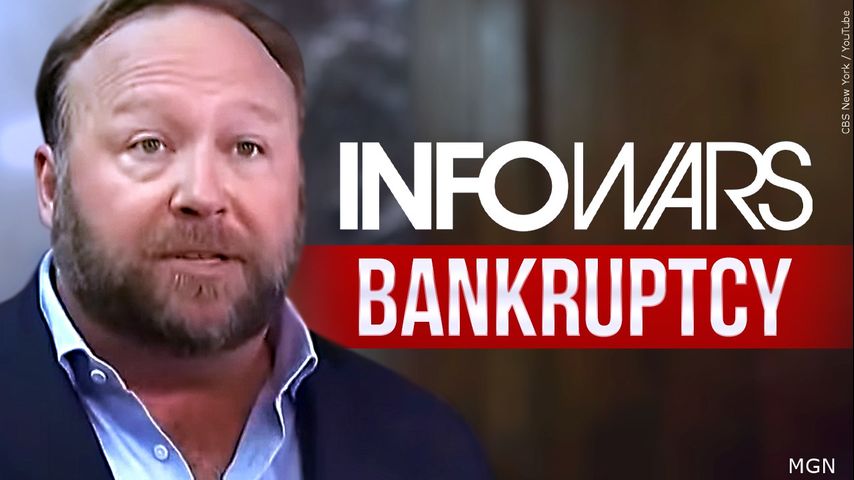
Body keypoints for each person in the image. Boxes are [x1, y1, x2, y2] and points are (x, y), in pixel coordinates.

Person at [0, 1, 491, 478]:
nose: (203, 194)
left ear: (298, 191)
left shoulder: (429, 451)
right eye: (149, 144)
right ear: (51, 187)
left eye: (247, 147)